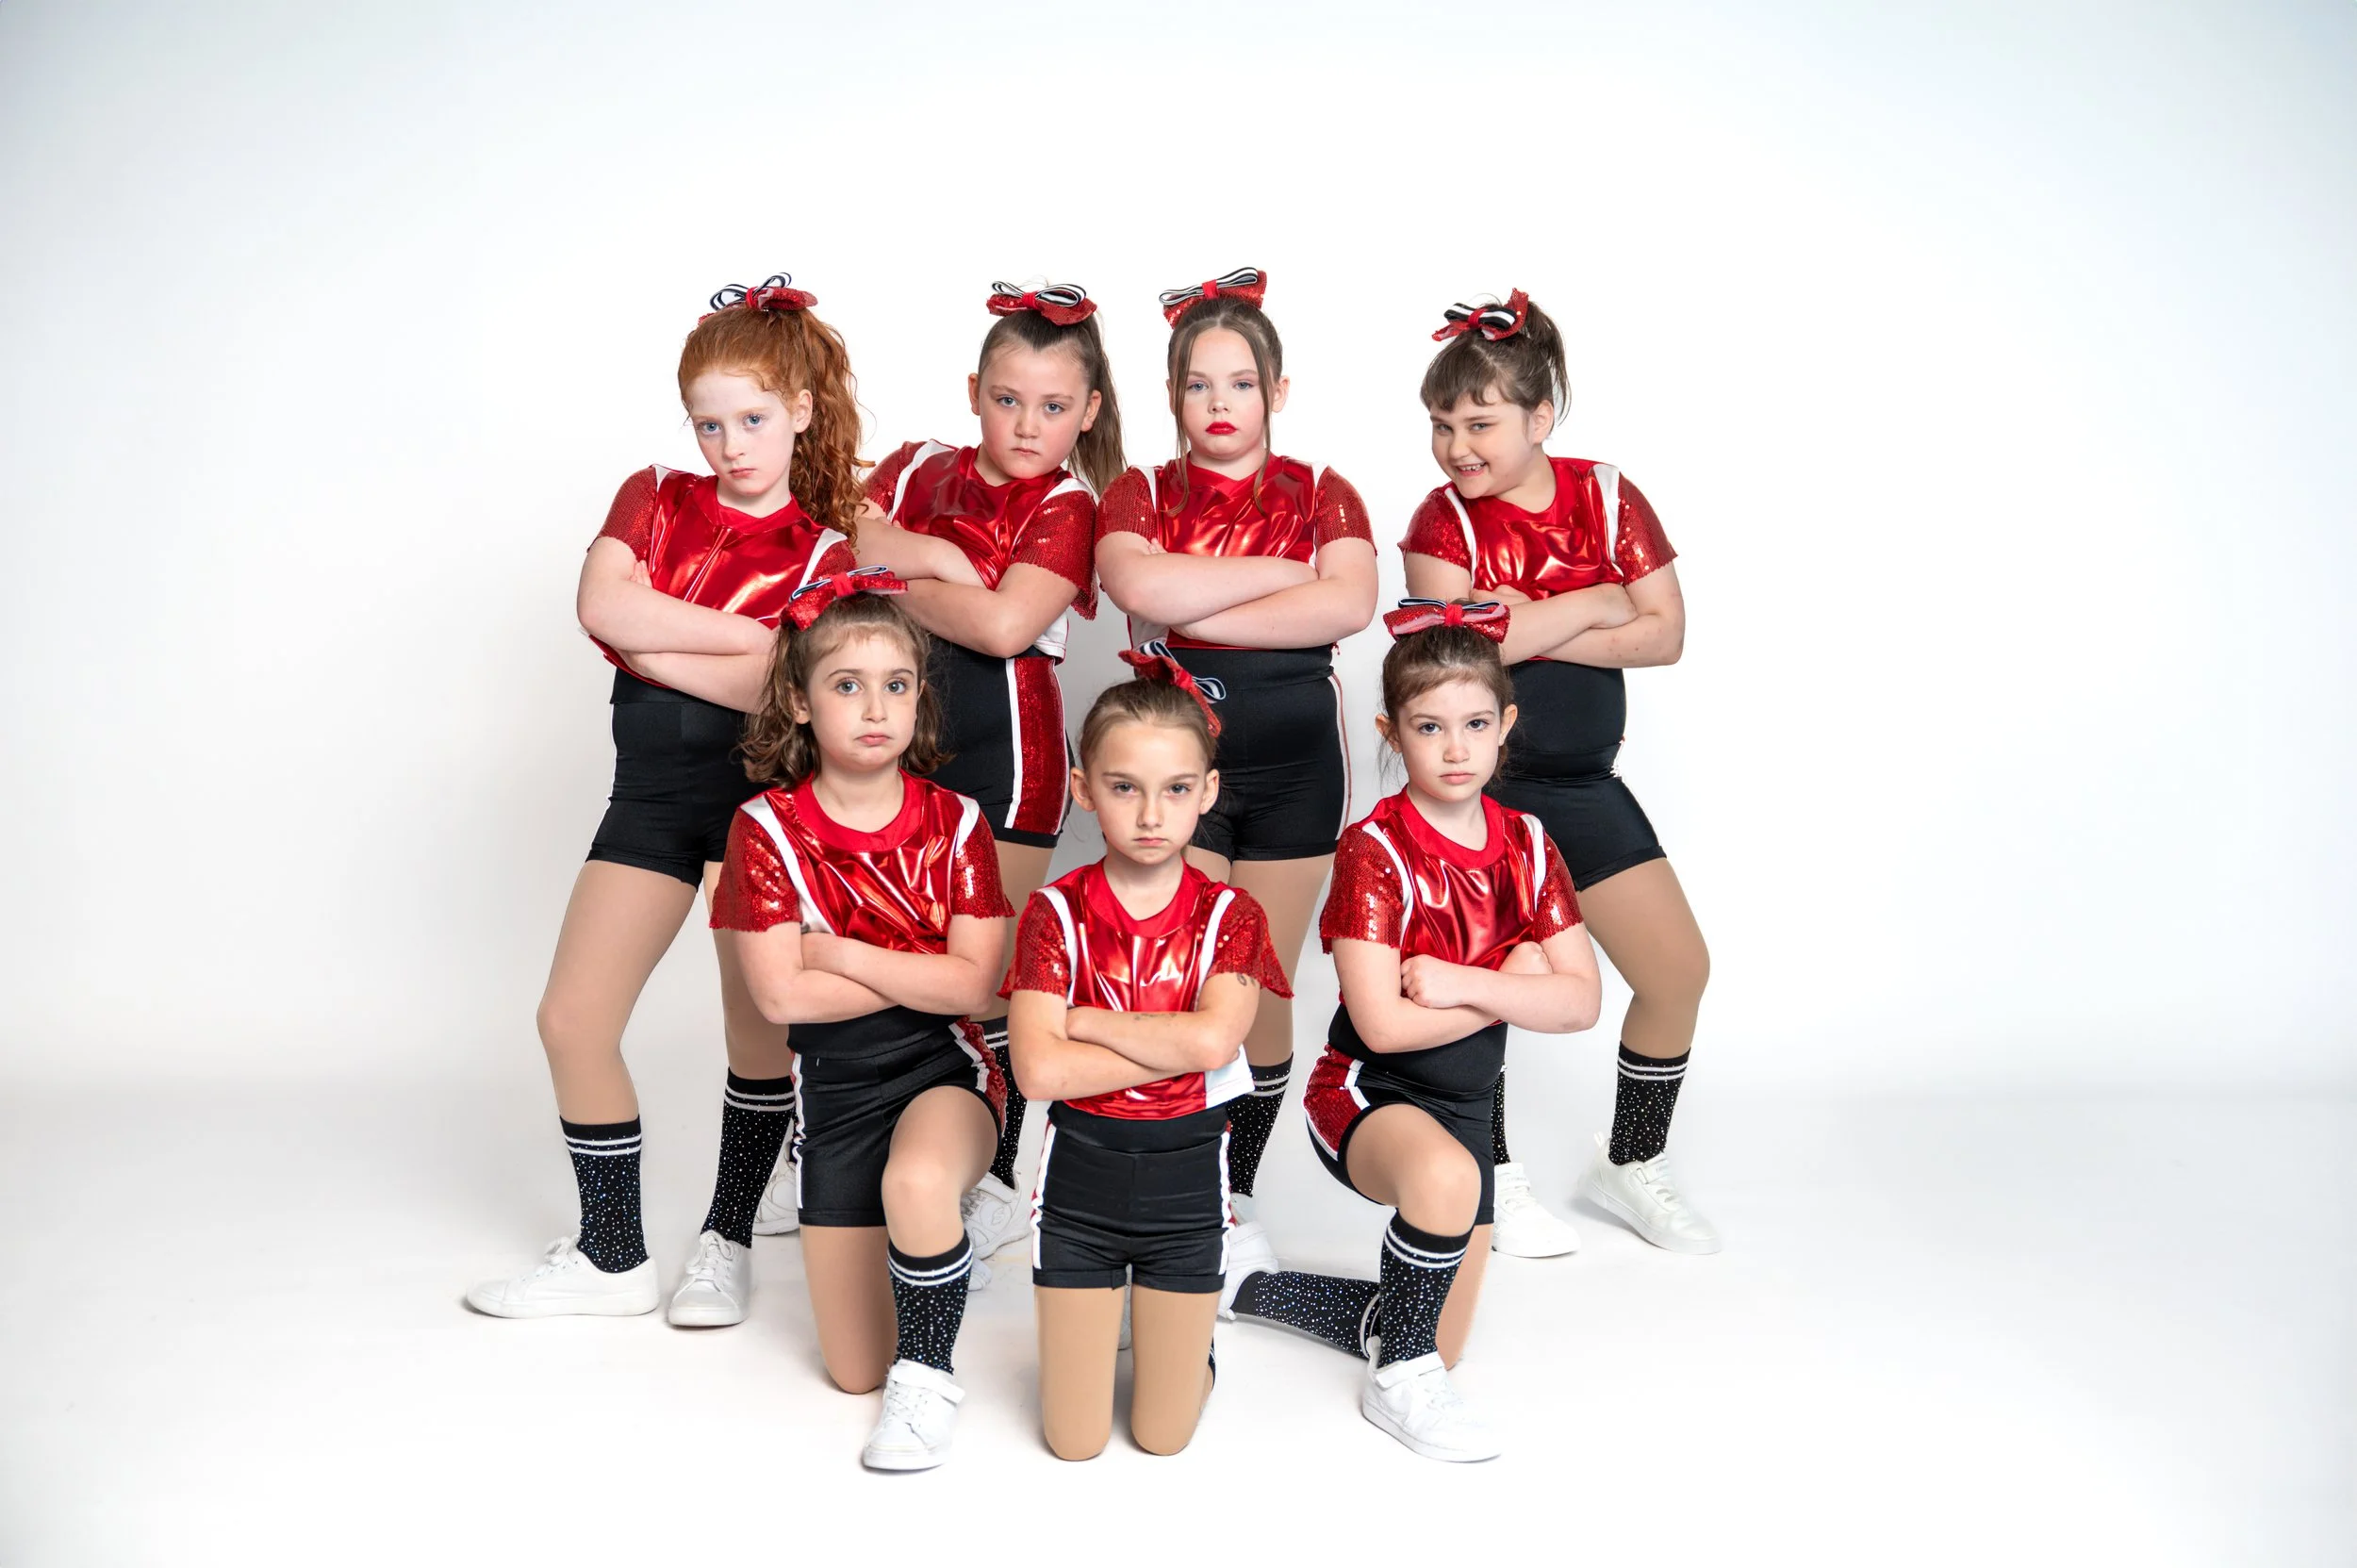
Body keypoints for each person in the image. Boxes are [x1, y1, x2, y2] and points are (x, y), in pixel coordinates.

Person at [466, 274, 861, 1323]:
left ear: (801, 411)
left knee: (757, 1033)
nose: (730, 445)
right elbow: (599, 602)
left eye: (753, 420)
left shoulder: (826, 552)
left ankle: (727, 1240)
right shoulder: (653, 492)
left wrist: (652, 637)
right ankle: (611, 1255)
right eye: (709, 423)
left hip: (758, 816)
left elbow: (781, 694)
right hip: (643, 801)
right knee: (571, 1018)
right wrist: (749, 639)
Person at [1229, 603, 1603, 1461]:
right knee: (1435, 1197)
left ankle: (1252, 1288)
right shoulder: (1374, 848)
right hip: (1368, 1092)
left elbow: (1582, 1002)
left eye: (1476, 724)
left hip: (1465, 1100)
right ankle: (1395, 1387)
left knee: (1438, 1333)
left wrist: (1470, 980)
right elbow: (1386, 1025)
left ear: (1506, 725)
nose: (1456, 748)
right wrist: (1519, 985)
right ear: (1391, 731)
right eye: (1430, 727)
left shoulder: (1529, 843)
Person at [1403, 289, 1721, 1256]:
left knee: (1676, 971)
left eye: (1481, 422)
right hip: (1478, 797)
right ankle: (1490, 1173)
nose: (1458, 445)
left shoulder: (1608, 495)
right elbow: (1466, 658)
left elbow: (1664, 635)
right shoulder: (1438, 522)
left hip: (1583, 785)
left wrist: (1528, 618)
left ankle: (1630, 1162)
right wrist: (1592, 598)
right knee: (1482, 986)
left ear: (1541, 418)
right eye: (1441, 424)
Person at [1093, 267, 1377, 1290]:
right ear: (1172, 396)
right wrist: (1287, 574)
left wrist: (1197, 608)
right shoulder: (1140, 491)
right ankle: (1164, 1183)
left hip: (1300, 773)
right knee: (1181, 976)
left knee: (1260, 985)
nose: (1221, 404)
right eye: (1200, 385)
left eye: (1241, 384)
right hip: (1181, 768)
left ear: (1277, 393)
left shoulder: (1322, 489)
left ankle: (1231, 1193)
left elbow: (1348, 607)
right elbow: (1138, 585)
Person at [708, 570, 1013, 1471]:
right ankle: (929, 1255)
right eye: (847, 685)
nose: (875, 707)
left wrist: (838, 953)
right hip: (833, 1099)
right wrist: (923, 969)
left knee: (919, 1184)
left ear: (919, 701)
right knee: (848, 1370)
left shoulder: (956, 822)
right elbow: (780, 1000)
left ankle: (929, 1377)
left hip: (942, 1074)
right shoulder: (764, 828)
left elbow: (972, 989)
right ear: (800, 703)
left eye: (897, 684)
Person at [849, 280, 1121, 1263]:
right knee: (881, 955)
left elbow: (1008, 626)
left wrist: (900, 573)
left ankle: (1010, 1171)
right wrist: (949, 564)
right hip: (891, 747)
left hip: (1009, 758)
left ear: (1087, 413)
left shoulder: (1072, 502)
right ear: (974, 389)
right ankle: (863, 1142)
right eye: (1008, 399)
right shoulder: (918, 463)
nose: (1027, 424)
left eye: (1054, 407)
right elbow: (846, 553)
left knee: (985, 981)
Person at [1004, 647, 1292, 1460]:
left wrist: (1085, 1019)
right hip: (1078, 1196)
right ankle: (1106, 1324)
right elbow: (1037, 1072)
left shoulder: (1231, 913)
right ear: (1085, 788)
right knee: (1074, 1440)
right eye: (1124, 787)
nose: (1150, 815)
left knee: (1163, 1438)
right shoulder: (1053, 913)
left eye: (1174, 789)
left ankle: (1186, 1345)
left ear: (1206, 792)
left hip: (1187, 1196)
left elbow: (1215, 1039)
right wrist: (1177, 1044)